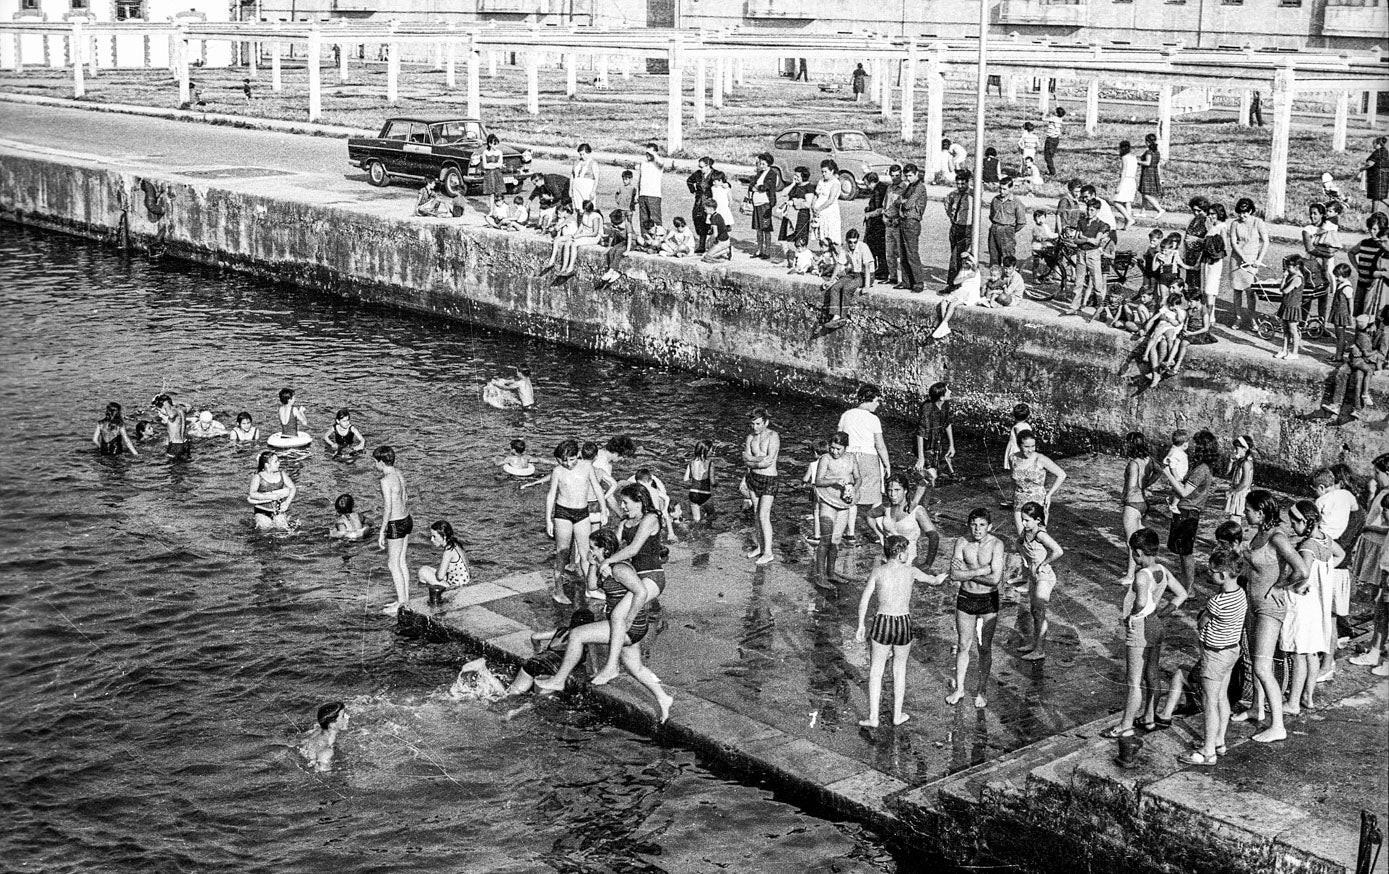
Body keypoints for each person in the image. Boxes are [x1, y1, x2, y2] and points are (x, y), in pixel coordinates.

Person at [533, 530, 673, 723]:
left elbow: (641, 592)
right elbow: (591, 586)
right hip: (624, 626)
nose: (590, 551)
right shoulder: (604, 566)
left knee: (577, 635)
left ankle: (558, 680)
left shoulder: (619, 569)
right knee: (636, 668)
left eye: (593, 548)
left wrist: (629, 619)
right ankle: (663, 698)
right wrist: (592, 562)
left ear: (605, 549)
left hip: (630, 625)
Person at [1232, 490, 1308, 743]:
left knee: (1264, 667)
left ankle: (1278, 725)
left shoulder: (1277, 536)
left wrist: (1279, 586)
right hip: (1253, 605)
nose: (1245, 514)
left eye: (1249, 510)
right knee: (1255, 661)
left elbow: (1302, 569)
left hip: (1269, 609)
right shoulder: (1258, 534)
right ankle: (1256, 707)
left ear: (1261, 512)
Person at [1101, 528, 1189, 738]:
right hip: (1155, 625)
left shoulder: (1141, 575)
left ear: (1138, 552)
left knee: (1133, 682)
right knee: (1152, 674)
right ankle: (1149, 717)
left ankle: (1126, 725)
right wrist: (1164, 612)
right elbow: (1182, 594)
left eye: (1133, 552)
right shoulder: (1162, 570)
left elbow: (1140, 601)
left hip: (1140, 628)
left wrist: (1132, 615)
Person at [855, 535, 935, 728]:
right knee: (900, 670)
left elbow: (864, 599)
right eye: (906, 550)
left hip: (883, 621)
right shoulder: (911, 571)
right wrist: (943, 576)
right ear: (900, 554)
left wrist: (861, 624)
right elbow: (933, 581)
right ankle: (897, 715)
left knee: (876, 671)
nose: (908, 554)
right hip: (903, 622)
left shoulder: (878, 571)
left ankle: (873, 717)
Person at [1182, 547, 1248, 765]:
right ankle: (1219, 741)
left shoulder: (1217, 602)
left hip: (1214, 654)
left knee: (1209, 701)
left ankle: (1208, 750)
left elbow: (1201, 621)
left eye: (1211, 571)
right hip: (1231, 651)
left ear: (1222, 575)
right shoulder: (1240, 594)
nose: (1208, 574)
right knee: (1221, 696)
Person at [1283, 501, 1342, 715]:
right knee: (1311, 652)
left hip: (1304, 603)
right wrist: (1325, 577)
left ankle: (1292, 702)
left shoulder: (1307, 546)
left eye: (1294, 523)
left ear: (1305, 522)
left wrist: (1284, 585)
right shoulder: (1325, 539)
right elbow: (1340, 554)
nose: (1292, 527)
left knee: (1299, 653)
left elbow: (1302, 573)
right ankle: (1308, 695)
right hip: (1319, 603)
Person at [946, 508, 1006, 708]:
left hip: (988, 600)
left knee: (984, 647)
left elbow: (995, 579)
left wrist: (967, 572)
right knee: (963, 645)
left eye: (981, 525)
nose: (977, 529)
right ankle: (960, 689)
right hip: (966, 598)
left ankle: (981, 690)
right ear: (968, 525)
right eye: (973, 524)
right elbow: (954, 574)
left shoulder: (997, 545)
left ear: (989, 527)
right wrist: (981, 570)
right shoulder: (962, 543)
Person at [545, 439, 607, 605]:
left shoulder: (587, 467)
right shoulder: (558, 471)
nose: (568, 463)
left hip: (582, 512)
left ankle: (590, 588)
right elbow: (551, 495)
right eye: (564, 460)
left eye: (571, 459)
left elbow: (597, 487)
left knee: (586, 552)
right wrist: (548, 519)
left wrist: (604, 508)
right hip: (563, 512)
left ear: (577, 455)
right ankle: (558, 591)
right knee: (562, 552)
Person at [1348, 453, 1389, 674]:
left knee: (1382, 604)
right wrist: (1373, 491)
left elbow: (1384, 526)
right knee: (1379, 603)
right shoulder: (1383, 491)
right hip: (1377, 551)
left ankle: (1377, 648)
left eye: (1378, 473)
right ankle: (1376, 644)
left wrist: (1368, 529)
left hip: (1382, 551)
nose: (1374, 476)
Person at [838, 385, 891, 544]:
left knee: (852, 494)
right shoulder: (873, 419)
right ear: (869, 401)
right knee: (875, 498)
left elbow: (839, 438)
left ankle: (850, 533)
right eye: (877, 401)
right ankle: (881, 533)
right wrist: (887, 464)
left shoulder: (846, 415)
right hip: (869, 457)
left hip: (849, 457)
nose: (878, 404)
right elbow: (880, 445)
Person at [1016, 501, 1064, 661]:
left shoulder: (1040, 534)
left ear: (1037, 520)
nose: (1023, 523)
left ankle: (1040, 650)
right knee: (1034, 612)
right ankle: (1035, 644)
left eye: (1027, 520)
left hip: (1044, 577)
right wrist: (1024, 559)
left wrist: (1044, 562)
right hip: (1033, 575)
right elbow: (1018, 543)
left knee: (1040, 612)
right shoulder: (1025, 532)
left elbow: (1058, 551)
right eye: (1022, 519)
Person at [811, 432, 859, 585]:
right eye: (832, 448)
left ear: (845, 447)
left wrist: (854, 489)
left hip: (843, 502)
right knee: (825, 539)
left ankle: (831, 572)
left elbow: (858, 478)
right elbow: (818, 481)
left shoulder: (851, 458)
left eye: (839, 449)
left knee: (836, 540)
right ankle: (819, 576)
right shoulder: (825, 459)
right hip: (827, 500)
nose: (835, 452)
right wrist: (835, 480)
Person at [874, 472, 941, 571]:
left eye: (897, 490)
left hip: (908, 564)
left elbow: (934, 536)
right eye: (889, 490)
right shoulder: (887, 507)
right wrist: (880, 534)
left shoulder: (918, 511)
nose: (892, 494)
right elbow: (869, 516)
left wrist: (928, 563)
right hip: (886, 561)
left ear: (905, 490)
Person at [374, 445, 411, 615]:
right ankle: (404, 599)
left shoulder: (385, 480)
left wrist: (382, 531)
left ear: (381, 462)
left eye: (376, 462)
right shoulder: (399, 473)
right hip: (406, 519)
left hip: (395, 523)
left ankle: (401, 603)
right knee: (401, 562)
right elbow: (405, 497)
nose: (375, 465)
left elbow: (387, 508)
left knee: (392, 564)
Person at [741, 408, 780, 566]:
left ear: (766, 422)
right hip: (753, 478)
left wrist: (753, 460)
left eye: (758, 424)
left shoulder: (773, 436)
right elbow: (745, 458)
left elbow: (768, 461)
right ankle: (760, 546)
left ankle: (769, 552)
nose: (754, 427)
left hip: (769, 479)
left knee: (764, 515)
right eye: (752, 424)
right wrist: (757, 461)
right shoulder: (750, 437)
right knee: (757, 514)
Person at [1008, 430, 1066, 537]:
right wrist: (1014, 495)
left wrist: (1049, 495)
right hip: (1019, 502)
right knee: (1022, 537)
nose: (1030, 450)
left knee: (1036, 537)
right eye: (1026, 447)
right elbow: (1013, 478)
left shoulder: (1040, 459)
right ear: (1019, 445)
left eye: (1033, 446)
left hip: (1037, 503)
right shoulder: (1013, 458)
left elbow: (1061, 475)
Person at [1227, 197, 1270, 330]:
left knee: (1250, 291)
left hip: (1252, 260)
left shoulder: (1258, 222)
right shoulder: (1235, 224)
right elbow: (1234, 242)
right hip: (1237, 259)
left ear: (1251, 211)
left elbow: (1266, 242)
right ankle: (1238, 318)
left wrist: (1258, 260)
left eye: (1245, 212)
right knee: (1237, 290)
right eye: (1239, 212)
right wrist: (1242, 256)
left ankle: (1252, 318)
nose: (1242, 215)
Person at [1064, 199, 1111, 317]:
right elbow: (1076, 239)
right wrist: (1086, 239)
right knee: (1078, 282)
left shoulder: (1101, 225)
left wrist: (1084, 238)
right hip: (1081, 253)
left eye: (1092, 210)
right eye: (1088, 209)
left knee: (1097, 283)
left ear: (1098, 211)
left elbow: (1096, 242)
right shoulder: (1081, 222)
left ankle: (1101, 309)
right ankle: (1074, 307)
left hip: (1093, 254)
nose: (1089, 212)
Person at [1119, 432, 1154, 583]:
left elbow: (1132, 486)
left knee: (1131, 542)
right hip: (1143, 503)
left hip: (1132, 504)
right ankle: (1142, 567)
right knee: (1141, 540)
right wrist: (1146, 483)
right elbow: (1159, 471)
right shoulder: (1148, 460)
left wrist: (1124, 498)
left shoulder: (1133, 464)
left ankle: (1130, 575)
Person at [912, 381, 955, 499]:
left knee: (931, 476)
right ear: (941, 397)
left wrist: (952, 445)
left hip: (936, 445)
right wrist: (921, 457)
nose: (950, 392)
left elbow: (947, 424)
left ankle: (924, 505)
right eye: (947, 390)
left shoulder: (945, 405)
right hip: (925, 446)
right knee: (931, 476)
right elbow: (920, 433)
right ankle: (915, 504)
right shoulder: (927, 408)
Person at [418, 519, 472, 605]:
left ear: (444, 536)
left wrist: (439, 569)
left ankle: (426, 596)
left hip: (457, 586)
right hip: (462, 581)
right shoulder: (455, 544)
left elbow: (440, 576)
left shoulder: (448, 551)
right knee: (425, 568)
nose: (431, 539)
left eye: (434, 536)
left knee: (423, 572)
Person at [896, 163, 928, 292]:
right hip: (904, 221)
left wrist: (902, 201)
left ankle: (918, 283)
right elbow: (897, 200)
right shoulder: (910, 186)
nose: (908, 178)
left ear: (916, 174)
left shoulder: (920, 187)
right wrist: (901, 201)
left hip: (912, 222)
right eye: (906, 176)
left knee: (912, 253)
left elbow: (908, 204)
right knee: (903, 254)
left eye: (910, 175)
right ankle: (906, 281)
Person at [1348, 211, 1387, 317]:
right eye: (1370, 229)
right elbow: (1351, 252)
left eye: (1374, 229)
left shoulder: (1383, 246)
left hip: (1373, 284)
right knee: (1358, 311)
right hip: (1361, 282)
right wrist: (1356, 267)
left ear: (1381, 229)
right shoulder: (1364, 243)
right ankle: (1358, 332)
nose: (1371, 231)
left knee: (1368, 311)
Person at [248, 450, 296, 532]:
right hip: (262, 511)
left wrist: (287, 502)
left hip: (277, 510)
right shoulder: (258, 477)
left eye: (278, 461)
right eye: (275, 462)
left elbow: (292, 488)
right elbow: (252, 494)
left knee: (284, 531)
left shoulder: (282, 474)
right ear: (267, 465)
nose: (279, 463)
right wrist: (270, 496)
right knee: (265, 531)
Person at [987, 176, 1028, 267]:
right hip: (994, 228)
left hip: (1007, 231)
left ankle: (1009, 279)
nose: (1002, 191)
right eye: (1000, 189)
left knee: (1008, 259)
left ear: (1011, 188)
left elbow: (1021, 222)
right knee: (994, 256)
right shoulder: (995, 200)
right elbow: (991, 216)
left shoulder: (1016, 202)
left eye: (1004, 189)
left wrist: (1010, 230)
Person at [747, 152, 781, 260]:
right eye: (760, 163)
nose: (761, 166)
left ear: (768, 164)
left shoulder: (772, 174)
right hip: (757, 203)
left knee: (766, 227)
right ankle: (759, 249)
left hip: (765, 203)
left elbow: (767, 186)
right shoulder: (759, 173)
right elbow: (751, 184)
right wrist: (756, 187)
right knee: (758, 228)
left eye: (763, 163)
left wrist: (757, 187)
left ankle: (767, 251)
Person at [942, 170, 974, 286]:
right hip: (956, 227)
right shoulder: (953, 195)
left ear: (967, 183)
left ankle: (953, 285)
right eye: (958, 184)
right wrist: (951, 217)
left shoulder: (972, 195)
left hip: (967, 228)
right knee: (954, 255)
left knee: (958, 257)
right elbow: (947, 204)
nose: (960, 186)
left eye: (963, 184)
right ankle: (956, 283)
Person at [1275, 254, 1309, 361]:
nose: (1287, 270)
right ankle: (1284, 349)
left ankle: (1295, 352)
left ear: (1296, 267)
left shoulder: (1298, 279)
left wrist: (1285, 280)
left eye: (1289, 267)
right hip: (1286, 305)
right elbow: (1281, 288)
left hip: (1292, 307)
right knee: (1285, 329)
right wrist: (1284, 277)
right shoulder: (1290, 276)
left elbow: (1285, 290)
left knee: (1293, 330)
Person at [299, 702, 348, 772]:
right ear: (332, 725)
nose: (347, 717)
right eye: (343, 716)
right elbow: (326, 778)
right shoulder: (327, 752)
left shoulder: (318, 730)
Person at [777, 166, 814, 260]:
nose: (795, 177)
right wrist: (793, 183)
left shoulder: (809, 187)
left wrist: (794, 202)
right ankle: (789, 257)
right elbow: (783, 193)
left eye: (797, 176)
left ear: (803, 177)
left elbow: (807, 204)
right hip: (789, 215)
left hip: (801, 216)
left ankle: (800, 258)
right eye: (795, 175)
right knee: (784, 237)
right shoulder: (795, 185)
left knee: (799, 238)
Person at [880, 165, 906, 286]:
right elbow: (885, 205)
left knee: (899, 253)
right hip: (888, 222)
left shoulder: (904, 188)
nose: (895, 178)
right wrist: (884, 217)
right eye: (892, 175)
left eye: (897, 175)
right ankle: (892, 276)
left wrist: (898, 219)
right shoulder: (889, 188)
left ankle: (901, 279)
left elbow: (905, 207)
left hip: (897, 223)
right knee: (889, 252)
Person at [686, 157, 715, 254]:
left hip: (711, 202)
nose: (700, 169)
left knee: (712, 223)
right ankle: (702, 245)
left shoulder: (716, 174)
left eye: (702, 167)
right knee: (699, 221)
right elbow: (689, 181)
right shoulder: (698, 174)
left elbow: (725, 183)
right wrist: (693, 191)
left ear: (708, 166)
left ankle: (713, 246)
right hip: (699, 202)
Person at [812, 160, 843, 251]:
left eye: (826, 172)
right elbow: (816, 194)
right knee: (821, 235)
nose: (823, 174)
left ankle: (834, 256)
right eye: (822, 172)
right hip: (819, 213)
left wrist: (819, 209)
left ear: (832, 171)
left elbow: (830, 200)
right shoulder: (821, 181)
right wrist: (813, 206)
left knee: (831, 237)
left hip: (829, 213)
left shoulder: (835, 183)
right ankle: (824, 255)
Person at [682, 439, 715, 523]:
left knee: (696, 520)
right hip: (705, 494)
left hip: (693, 493)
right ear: (706, 450)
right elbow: (712, 482)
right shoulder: (710, 463)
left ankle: (693, 534)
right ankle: (707, 533)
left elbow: (685, 479)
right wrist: (717, 484)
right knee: (711, 516)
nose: (712, 451)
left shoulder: (691, 463)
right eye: (711, 449)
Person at [152, 393, 191, 461]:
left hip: (175, 445)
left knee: (172, 469)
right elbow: (189, 406)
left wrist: (166, 404)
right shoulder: (181, 410)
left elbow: (171, 415)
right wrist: (174, 402)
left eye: (160, 409)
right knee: (185, 468)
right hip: (185, 443)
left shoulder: (172, 412)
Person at [1225, 436, 1255, 522]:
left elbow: (1245, 482)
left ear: (1244, 449)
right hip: (1237, 492)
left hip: (1240, 493)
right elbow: (1228, 473)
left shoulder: (1246, 463)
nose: (1235, 451)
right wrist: (1231, 462)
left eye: (1236, 448)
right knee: (1235, 518)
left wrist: (1232, 492)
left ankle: (1233, 534)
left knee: (1234, 519)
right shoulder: (1240, 461)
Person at [637, 143, 665, 229]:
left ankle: (657, 240)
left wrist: (653, 153)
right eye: (647, 152)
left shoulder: (658, 164)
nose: (648, 154)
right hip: (643, 195)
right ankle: (645, 240)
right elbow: (640, 179)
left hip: (654, 195)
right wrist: (638, 194)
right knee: (644, 221)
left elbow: (661, 162)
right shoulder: (643, 163)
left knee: (655, 220)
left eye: (650, 152)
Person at [1136, 133, 1165, 219]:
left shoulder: (1148, 152)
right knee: (1144, 193)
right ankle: (1142, 211)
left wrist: (1137, 161)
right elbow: (1157, 164)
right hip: (1154, 173)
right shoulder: (1157, 152)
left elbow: (1147, 163)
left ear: (1148, 142)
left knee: (1146, 194)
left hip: (1147, 173)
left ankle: (1159, 209)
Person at [1112, 140, 1138, 230]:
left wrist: (1119, 184)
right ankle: (1127, 225)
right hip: (1132, 180)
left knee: (1116, 201)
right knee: (1127, 203)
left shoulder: (1124, 158)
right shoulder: (1134, 157)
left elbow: (1124, 171)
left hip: (1126, 180)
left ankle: (1129, 219)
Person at [1362, 135, 1389, 216]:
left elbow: (1370, 164)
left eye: (1373, 143)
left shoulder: (1377, 153)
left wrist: (1362, 168)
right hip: (1385, 175)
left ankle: (1374, 212)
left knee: (1376, 195)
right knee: (1379, 195)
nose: (1372, 145)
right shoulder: (1386, 152)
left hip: (1377, 176)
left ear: (1377, 143)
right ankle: (1375, 211)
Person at [700, 198, 733, 263]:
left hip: (722, 242)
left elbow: (715, 234)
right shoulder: (717, 215)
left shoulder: (714, 219)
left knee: (706, 257)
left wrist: (709, 241)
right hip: (725, 240)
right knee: (707, 256)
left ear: (711, 209)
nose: (704, 210)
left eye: (705, 209)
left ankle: (720, 258)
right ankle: (725, 251)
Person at [570, 143, 598, 211]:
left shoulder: (593, 163)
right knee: (578, 208)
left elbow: (596, 178)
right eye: (580, 154)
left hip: (587, 189)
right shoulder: (577, 162)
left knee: (588, 207)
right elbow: (572, 176)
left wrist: (593, 191)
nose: (582, 156)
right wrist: (570, 189)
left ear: (588, 153)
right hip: (576, 188)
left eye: (583, 154)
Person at [1042, 106, 1065, 177]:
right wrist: (1055, 98)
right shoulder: (1060, 118)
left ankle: (1052, 172)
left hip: (1050, 139)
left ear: (1056, 113)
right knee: (1050, 156)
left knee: (1047, 156)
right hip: (1056, 139)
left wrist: (1044, 113)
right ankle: (1051, 170)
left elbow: (1043, 119)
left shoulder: (1053, 118)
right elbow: (1057, 106)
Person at [481, 134, 505, 199]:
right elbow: (485, 166)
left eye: (497, 144)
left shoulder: (499, 152)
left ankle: (498, 208)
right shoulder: (485, 152)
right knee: (491, 194)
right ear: (490, 144)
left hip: (498, 174)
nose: (496, 146)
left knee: (499, 194)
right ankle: (491, 209)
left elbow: (500, 165)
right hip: (489, 175)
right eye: (495, 144)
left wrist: (491, 164)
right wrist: (495, 165)